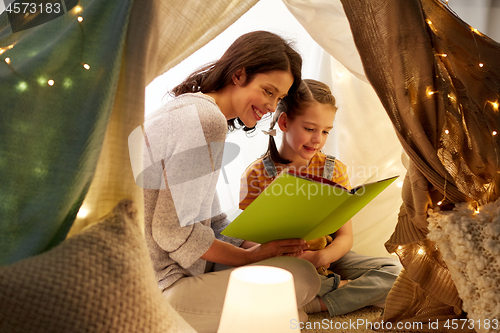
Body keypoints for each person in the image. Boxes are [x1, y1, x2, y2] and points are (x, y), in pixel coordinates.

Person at [142, 31, 320, 333]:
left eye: (278, 98)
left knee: (293, 278)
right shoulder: (205, 120)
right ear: (238, 75)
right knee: (301, 280)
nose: (270, 105)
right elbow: (170, 230)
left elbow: (210, 220)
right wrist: (250, 256)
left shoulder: (193, 109)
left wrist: (264, 246)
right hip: (159, 285)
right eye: (267, 91)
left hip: (172, 269)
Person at [239, 79, 402, 317]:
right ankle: (335, 288)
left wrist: (322, 256)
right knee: (259, 277)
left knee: (394, 273)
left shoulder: (334, 170)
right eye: (309, 129)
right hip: (282, 261)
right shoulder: (256, 174)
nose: (318, 139)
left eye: (326, 131)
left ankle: (315, 304)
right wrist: (282, 253)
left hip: (325, 255)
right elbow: (246, 242)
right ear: (284, 122)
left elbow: (345, 237)